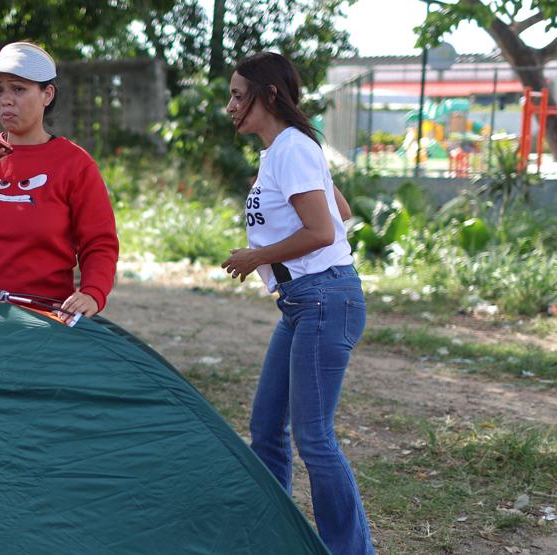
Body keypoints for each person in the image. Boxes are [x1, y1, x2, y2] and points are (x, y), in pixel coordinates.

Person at [219, 52, 372, 555]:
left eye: (239, 95)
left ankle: (351, 551)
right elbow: (341, 209)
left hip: (325, 297)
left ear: (268, 96)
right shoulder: (282, 152)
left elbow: (323, 229)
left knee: (313, 438)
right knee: (266, 429)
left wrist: (255, 256)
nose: (230, 106)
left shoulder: (291, 149)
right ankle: (277, 536)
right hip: (304, 301)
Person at [0, 42, 118, 317]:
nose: (6, 99)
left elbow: (100, 243)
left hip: (44, 318)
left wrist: (92, 293)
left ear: (47, 94)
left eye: (18, 89)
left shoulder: (75, 164)